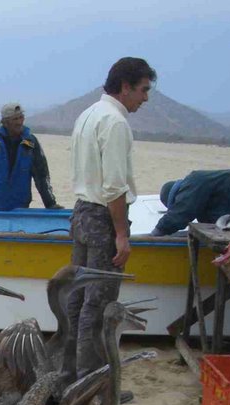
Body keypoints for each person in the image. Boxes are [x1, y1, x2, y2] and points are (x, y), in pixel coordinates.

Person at [65, 56, 156, 383]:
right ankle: (92, 383)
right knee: (99, 305)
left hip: (81, 215)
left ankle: (72, 373)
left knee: (78, 300)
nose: (145, 98)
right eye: (143, 90)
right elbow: (115, 187)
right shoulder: (115, 122)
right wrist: (122, 234)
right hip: (102, 218)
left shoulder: (88, 114)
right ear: (126, 86)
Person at [0, 103, 60, 211]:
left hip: (20, 207)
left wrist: (50, 203)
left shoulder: (31, 144)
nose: (19, 122)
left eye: (21, 117)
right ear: (5, 122)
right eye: (15, 119)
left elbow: (42, 176)